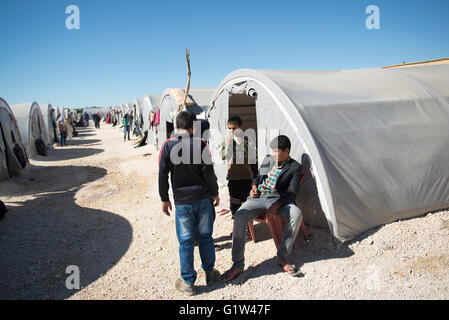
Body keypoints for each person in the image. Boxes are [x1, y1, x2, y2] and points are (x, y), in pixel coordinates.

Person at [222, 135, 304, 281]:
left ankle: (282, 256)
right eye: (272, 151)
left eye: (276, 151)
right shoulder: (268, 159)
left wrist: (277, 205)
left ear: (287, 151)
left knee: (296, 214)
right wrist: (253, 187)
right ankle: (237, 264)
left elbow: (292, 192)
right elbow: (257, 177)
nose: (273, 154)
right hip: (259, 198)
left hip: (279, 200)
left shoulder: (295, 167)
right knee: (240, 215)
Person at [158, 111, 221, 296]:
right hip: (202, 199)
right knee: (205, 237)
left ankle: (188, 283)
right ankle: (210, 274)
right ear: (193, 126)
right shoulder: (200, 143)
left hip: (182, 203)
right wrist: (215, 193)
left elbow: (163, 174)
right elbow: (208, 171)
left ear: (176, 126)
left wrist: (164, 198)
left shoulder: (167, 146)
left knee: (186, 242)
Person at [220, 117, 257, 234]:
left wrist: (241, 144)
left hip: (246, 177)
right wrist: (230, 145)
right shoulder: (226, 140)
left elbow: (253, 155)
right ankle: (237, 226)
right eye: (229, 129)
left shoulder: (247, 139)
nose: (231, 131)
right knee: (234, 204)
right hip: (233, 177)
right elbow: (223, 156)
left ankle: (246, 226)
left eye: (234, 128)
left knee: (246, 203)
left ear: (240, 128)